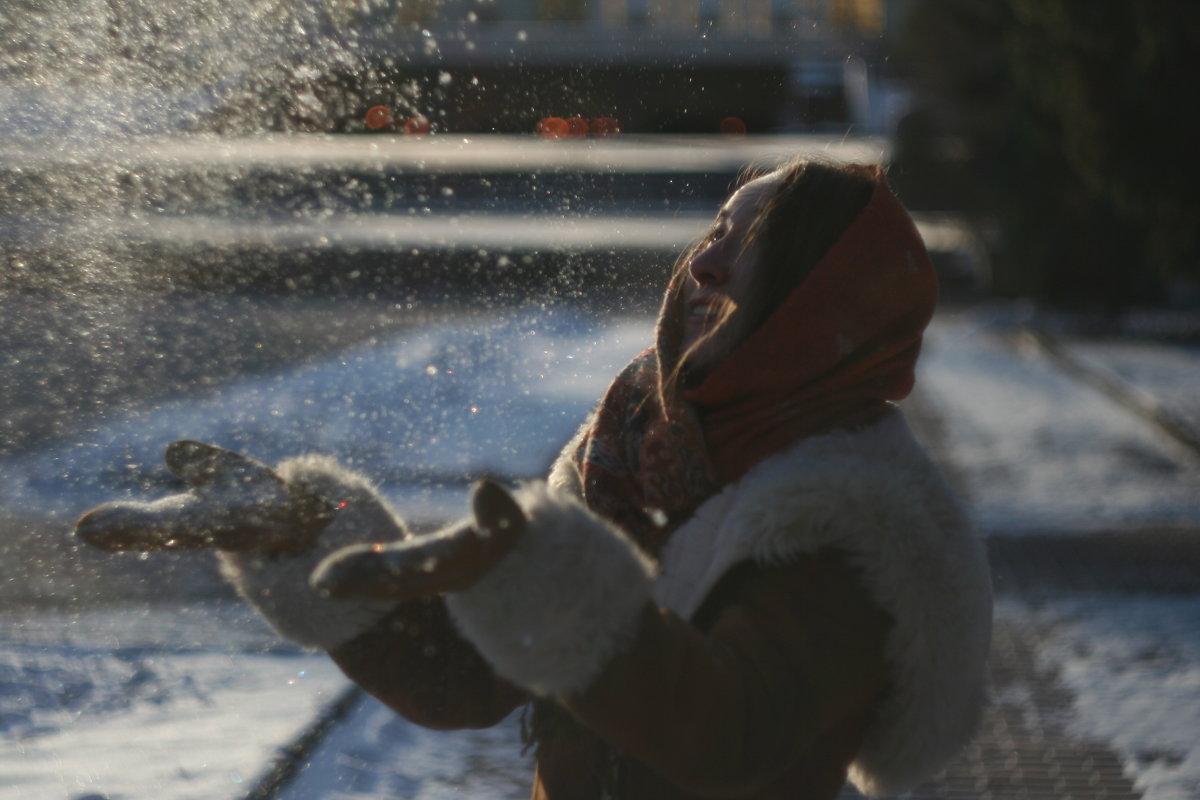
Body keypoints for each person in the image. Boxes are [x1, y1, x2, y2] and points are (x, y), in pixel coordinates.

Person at [77, 158, 993, 800]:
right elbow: (469, 680)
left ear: (816, 308)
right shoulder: (633, 459)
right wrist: (309, 538)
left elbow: (727, 736)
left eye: (752, 247)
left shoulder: (853, 528)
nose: (705, 262)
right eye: (716, 227)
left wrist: (553, 583)